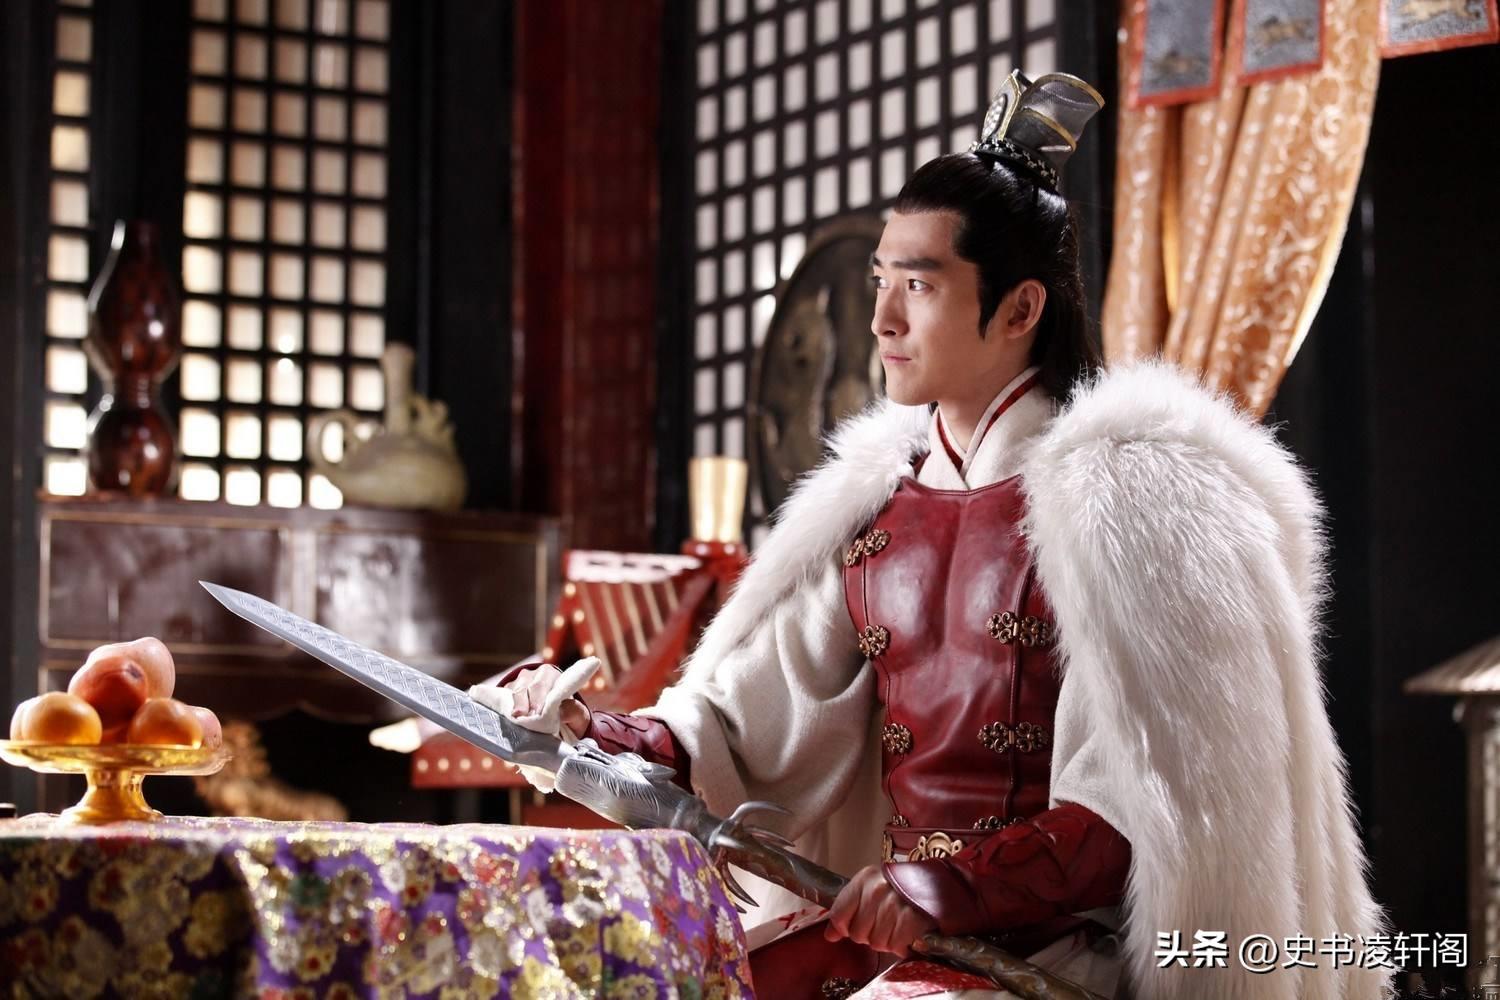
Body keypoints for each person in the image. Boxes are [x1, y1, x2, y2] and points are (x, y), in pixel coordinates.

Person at [476, 71, 1392, 1000]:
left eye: (918, 284)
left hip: (1057, 955)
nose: (882, 319)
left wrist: (949, 886)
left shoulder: (1132, 504)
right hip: (898, 928)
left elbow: (1145, 806)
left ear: (1021, 309)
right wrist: (598, 733)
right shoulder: (876, 509)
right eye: (882, 281)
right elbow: (741, 728)